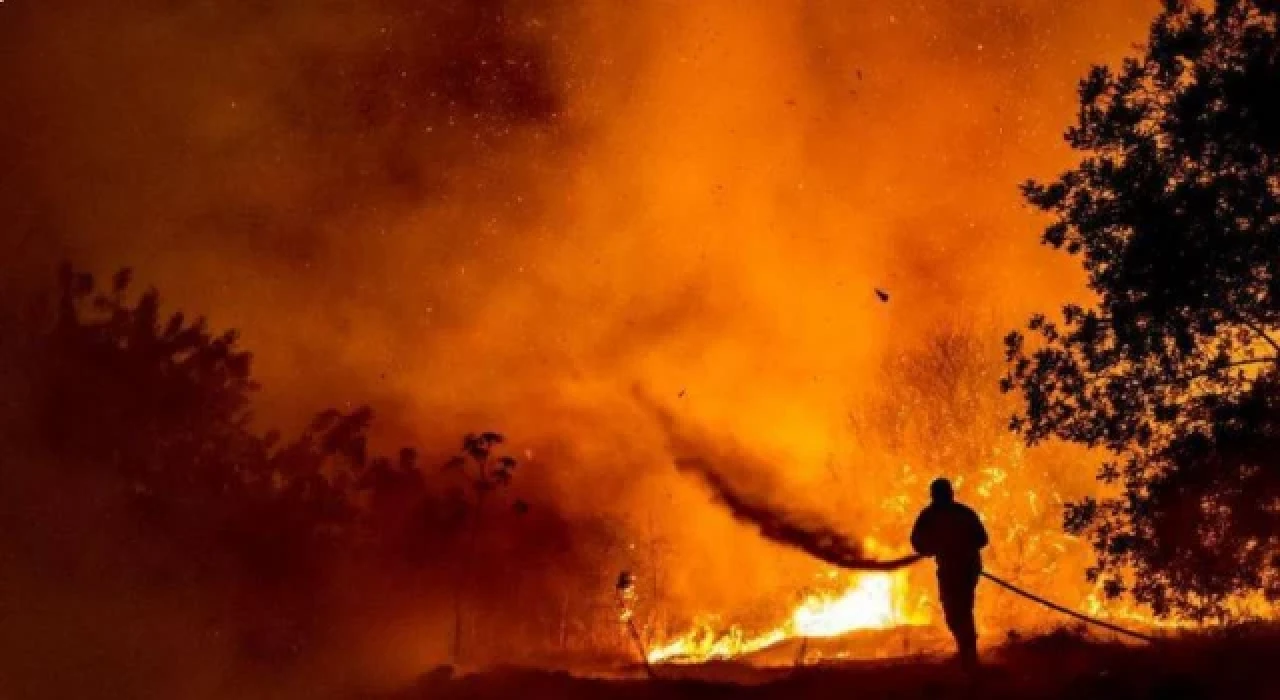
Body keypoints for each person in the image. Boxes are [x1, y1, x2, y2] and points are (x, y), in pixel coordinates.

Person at [910, 477, 988, 669]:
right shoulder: (929, 516)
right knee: (955, 613)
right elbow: (916, 541)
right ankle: (967, 651)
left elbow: (982, 538)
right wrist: (931, 548)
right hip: (949, 569)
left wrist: (959, 547)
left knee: (960, 609)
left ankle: (968, 655)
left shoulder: (962, 513)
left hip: (966, 568)